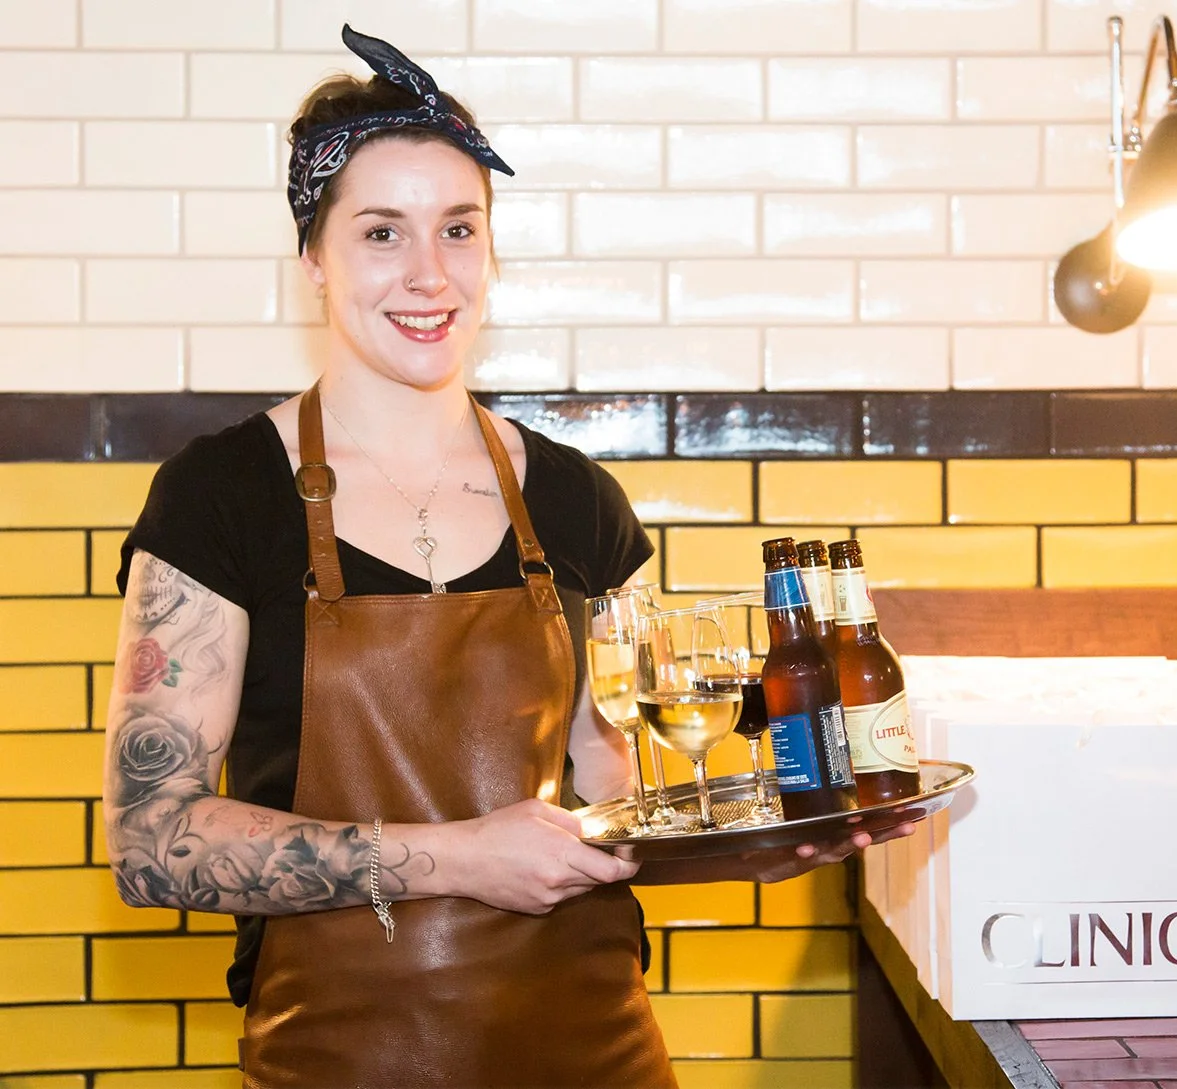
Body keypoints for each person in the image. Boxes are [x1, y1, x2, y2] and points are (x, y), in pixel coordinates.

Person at [102, 25, 906, 1089]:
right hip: (339, 1058)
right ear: (314, 259)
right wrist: (466, 855)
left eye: (459, 229)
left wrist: (740, 831)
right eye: (382, 233)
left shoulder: (575, 501)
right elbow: (149, 841)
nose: (428, 274)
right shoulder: (220, 496)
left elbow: (619, 787)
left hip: (595, 1047)